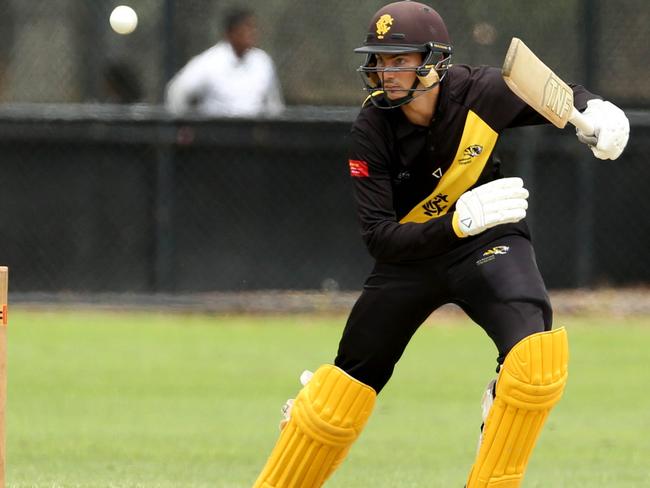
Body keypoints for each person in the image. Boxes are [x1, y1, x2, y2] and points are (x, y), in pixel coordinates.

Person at [253, 2, 629, 487]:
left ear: (433, 62)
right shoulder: (371, 129)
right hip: (410, 255)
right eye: (380, 61)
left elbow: (557, 97)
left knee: (536, 361)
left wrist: (596, 111)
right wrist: (454, 224)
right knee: (338, 396)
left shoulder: (480, 91)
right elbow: (379, 239)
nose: (386, 72)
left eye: (400, 60)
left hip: (488, 241)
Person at [165, 8, 284, 117]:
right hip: (217, 133)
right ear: (230, 33)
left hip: (253, 134)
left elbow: (273, 105)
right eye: (246, 27)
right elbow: (177, 90)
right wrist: (183, 127)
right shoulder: (210, 61)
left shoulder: (262, 61)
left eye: (253, 28)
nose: (252, 33)